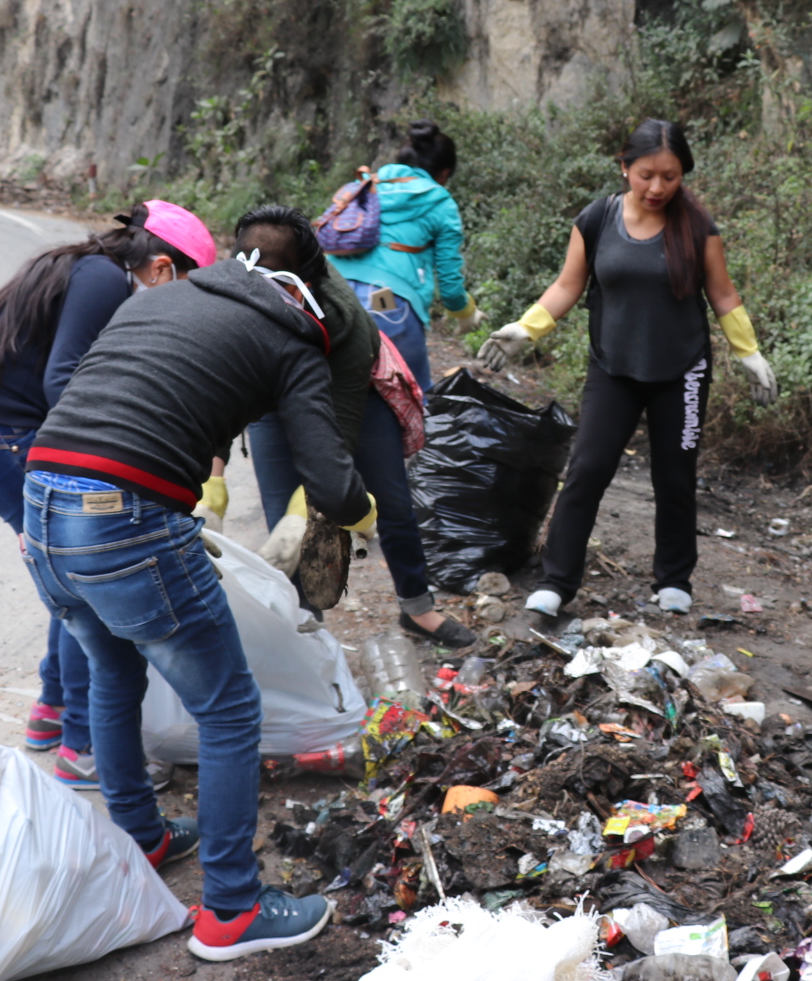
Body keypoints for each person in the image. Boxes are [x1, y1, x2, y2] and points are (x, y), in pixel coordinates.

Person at [23, 228, 375, 960]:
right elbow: (333, 482)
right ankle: (232, 912)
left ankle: (138, 841)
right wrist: (358, 505)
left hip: (43, 502)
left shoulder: (166, 294)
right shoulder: (291, 336)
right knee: (228, 706)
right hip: (125, 519)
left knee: (113, 670)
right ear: (306, 286)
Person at [0, 200, 214, 790]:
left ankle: (51, 711)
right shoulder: (101, 279)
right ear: (161, 270)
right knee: (83, 585)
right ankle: (84, 747)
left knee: (66, 577)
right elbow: (65, 380)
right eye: (183, 291)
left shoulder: (90, 269)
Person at [479, 118, 778, 617]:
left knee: (674, 475)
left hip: (682, 371)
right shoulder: (597, 219)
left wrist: (747, 351)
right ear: (624, 168)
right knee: (588, 470)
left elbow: (723, 295)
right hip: (612, 367)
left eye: (671, 176)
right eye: (646, 175)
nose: (658, 187)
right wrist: (525, 329)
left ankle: (674, 580)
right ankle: (557, 582)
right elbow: (567, 286)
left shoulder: (699, 227)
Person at [237, 206, 476, 648]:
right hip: (272, 400)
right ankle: (306, 631)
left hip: (353, 394)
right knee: (286, 529)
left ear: (308, 277)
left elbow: (339, 430)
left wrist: (319, 496)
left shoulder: (341, 314)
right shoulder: (233, 296)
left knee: (392, 503)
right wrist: (213, 474)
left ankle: (417, 609)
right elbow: (216, 393)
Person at [325, 118, 482, 394]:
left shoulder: (363, 186)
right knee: (411, 400)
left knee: (333, 395)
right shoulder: (440, 201)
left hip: (328, 295)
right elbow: (450, 286)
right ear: (444, 173)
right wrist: (467, 313)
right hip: (386, 303)